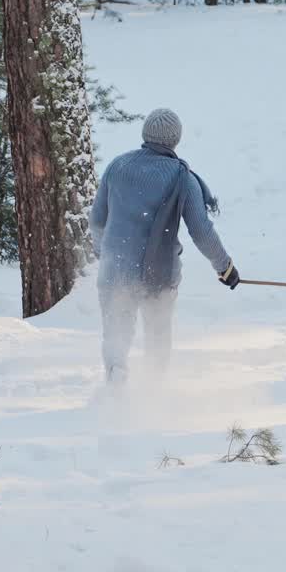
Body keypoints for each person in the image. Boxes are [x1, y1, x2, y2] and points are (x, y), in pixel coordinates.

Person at [89, 108, 239, 384]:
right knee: (157, 333)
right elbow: (202, 231)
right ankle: (154, 391)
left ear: (145, 133)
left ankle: (115, 384)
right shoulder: (182, 177)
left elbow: (97, 220)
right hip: (157, 272)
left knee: (116, 334)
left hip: (115, 269)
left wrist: (104, 253)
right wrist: (225, 267)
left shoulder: (117, 166)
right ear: (175, 140)